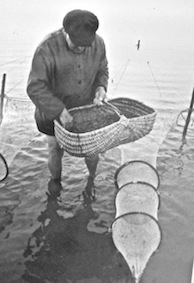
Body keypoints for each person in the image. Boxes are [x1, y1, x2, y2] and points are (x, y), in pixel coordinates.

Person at [27, 9, 109, 185]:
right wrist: (59, 111)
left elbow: (102, 70)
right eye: (76, 43)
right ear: (66, 31)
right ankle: (55, 185)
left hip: (86, 109)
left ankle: (92, 180)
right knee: (55, 148)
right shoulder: (46, 48)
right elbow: (35, 87)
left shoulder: (99, 44)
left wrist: (101, 88)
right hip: (52, 110)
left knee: (93, 150)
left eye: (85, 44)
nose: (80, 48)